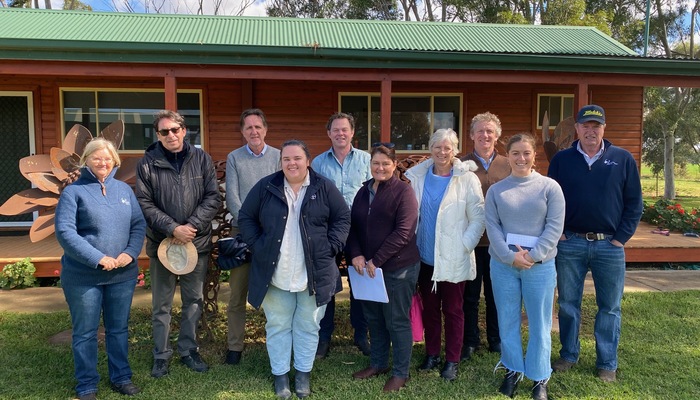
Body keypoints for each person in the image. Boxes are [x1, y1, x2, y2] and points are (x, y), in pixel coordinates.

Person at [239, 140, 351, 399]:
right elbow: (245, 216)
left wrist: (332, 246)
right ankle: (280, 375)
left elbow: (342, 218)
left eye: (297, 158)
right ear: (281, 163)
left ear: (308, 161)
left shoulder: (324, 187)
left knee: (308, 325)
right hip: (276, 274)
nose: (292, 163)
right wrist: (259, 245)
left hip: (314, 272)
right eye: (286, 158)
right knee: (278, 325)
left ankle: (302, 373)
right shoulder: (267, 186)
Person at [548, 104, 643, 383]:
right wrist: (561, 232)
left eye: (596, 125)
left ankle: (607, 362)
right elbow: (551, 200)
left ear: (604, 128)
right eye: (585, 125)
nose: (591, 130)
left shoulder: (623, 159)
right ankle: (568, 354)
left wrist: (620, 239)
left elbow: (634, 204)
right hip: (571, 244)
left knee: (610, 306)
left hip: (609, 247)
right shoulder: (562, 160)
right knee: (567, 303)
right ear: (576, 129)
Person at [55, 138, 147, 400]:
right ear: (86, 160)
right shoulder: (73, 192)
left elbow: (138, 224)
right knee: (85, 332)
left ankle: (121, 377)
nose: (103, 162)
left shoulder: (124, 190)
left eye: (107, 158)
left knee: (118, 329)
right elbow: (65, 232)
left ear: (115, 160)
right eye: (96, 157)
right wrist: (98, 258)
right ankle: (86, 384)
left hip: (122, 275)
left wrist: (130, 253)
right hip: (84, 277)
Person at [135, 110, 220, 378]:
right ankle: (161, 355)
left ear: (184, 130)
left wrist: (190, 227)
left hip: (196, 243)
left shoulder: (202, 159)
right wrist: (173, 228)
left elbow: (213, 197)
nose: (170, 135)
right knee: (162, 304)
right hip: (162, 245)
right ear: (157, 135)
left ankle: (188, 350)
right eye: (164, 131)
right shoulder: (147, 163)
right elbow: (144, 203)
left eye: (175, 129)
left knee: (193, 300)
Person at [485, 133, 565, 400]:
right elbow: (493, 227)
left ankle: (539, 375)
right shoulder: (497, 190)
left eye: (526, 153)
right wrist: (510, 258)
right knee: (507, 320)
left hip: (539, 267)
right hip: (503, 266)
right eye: (516, 153)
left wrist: (532, 256)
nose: (521, 158)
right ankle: (512, 369)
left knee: (540, 323)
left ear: (534, 156)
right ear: (508, 155)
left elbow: (554, 227)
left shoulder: (550, 187)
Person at [405, 128, 485, 381]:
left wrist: (464, 246)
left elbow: (478, 218)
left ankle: (452, 359)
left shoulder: (467, 178)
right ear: (430, 148)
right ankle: (432, 353)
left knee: (453, 309)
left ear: (455, 150)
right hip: (424, 257)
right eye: (437, 146)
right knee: (429, 308)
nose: (442, 152)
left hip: (454, 257)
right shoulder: (418, 177)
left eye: (447, 147)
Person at [346, 143, 420, 393]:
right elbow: (353, 226)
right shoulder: (363, 191)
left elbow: (404, 232)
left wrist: (376, 260)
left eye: (385, 163)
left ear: (395, 165)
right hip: (366, 269)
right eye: (376, 163)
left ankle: (401, 372)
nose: (380, 168)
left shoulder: (404, 192)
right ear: (370, 165)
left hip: (398, 267)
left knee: (396, 320)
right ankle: (378, 363)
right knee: (374, 318)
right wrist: (355, 254)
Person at [311, 112, 371, 359]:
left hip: (360, 230)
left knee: (361, 283)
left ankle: (361, 334)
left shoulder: (367, 160)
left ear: (352, 132)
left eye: (344, 129)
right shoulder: (317, 163)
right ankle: (324, 337)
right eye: (335, 130)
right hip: (329, 231)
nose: (340, 133)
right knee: (327, 283)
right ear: (329, 134)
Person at [224, 108, 281, 365]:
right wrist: (250, 228)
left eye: (258, 127)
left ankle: (276, 343)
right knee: (237, 294)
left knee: (275, 292)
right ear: (242, 132)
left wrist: (267, 227)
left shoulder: (280, 157)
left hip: (273, 235)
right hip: (243, 234)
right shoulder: (234, 158)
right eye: (248, 128)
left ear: (265, 129)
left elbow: (283, 194)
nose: (254, 132)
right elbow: (232, 198)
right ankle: (234, 347)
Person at [460, 112, 511, 360]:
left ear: (497, 135)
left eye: (490, 131)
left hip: (499, 241)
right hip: (471, 241)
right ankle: (470, 340)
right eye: (480, 131)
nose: (485, 135)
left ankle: (496, 338)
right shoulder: (461, 164)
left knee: (496, 293)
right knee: (470, 294)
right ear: (471, 135)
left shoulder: (508, 163)